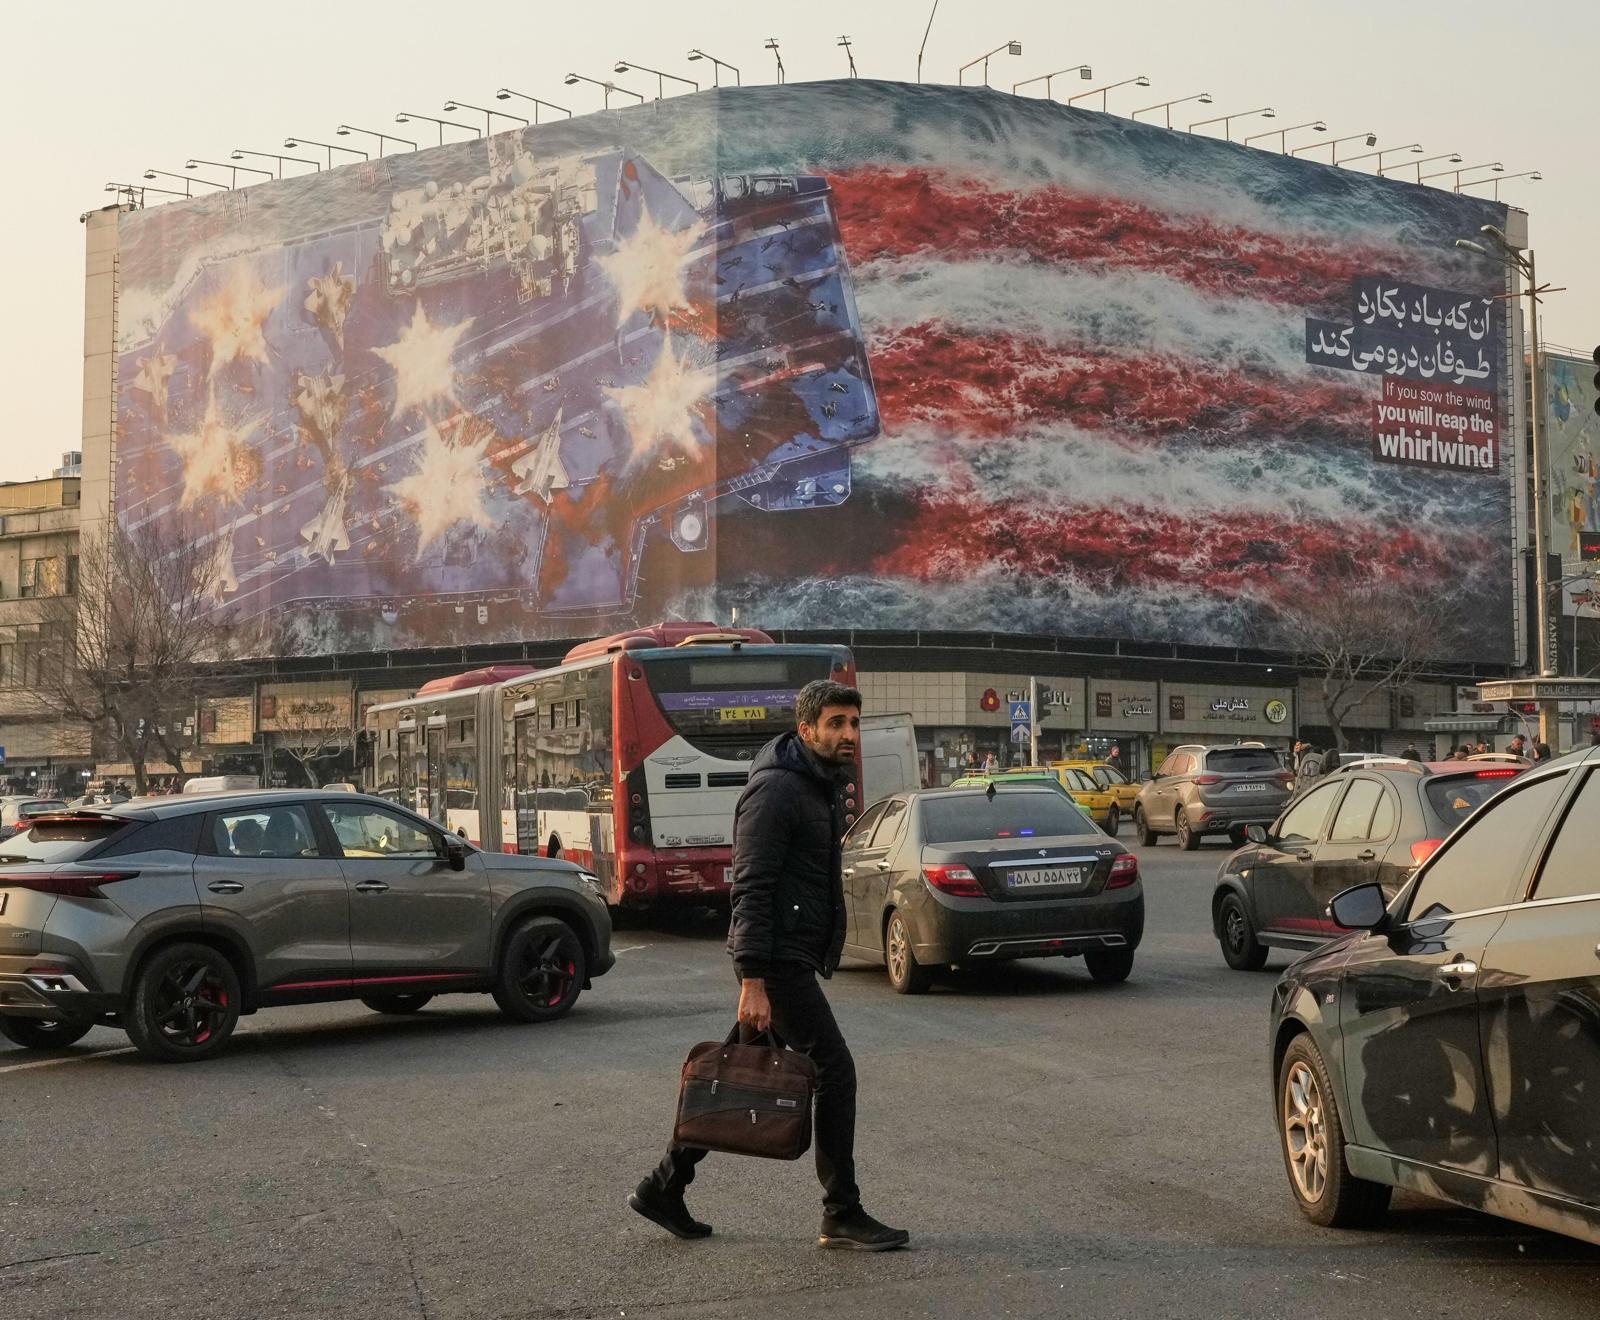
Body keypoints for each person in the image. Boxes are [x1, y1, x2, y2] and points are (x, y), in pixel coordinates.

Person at [631, 679, 908, 1252]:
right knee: (835, 1071)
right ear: (805, 729)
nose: (848, 735)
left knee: (728, 1071)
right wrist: (753, 979)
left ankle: (664, 1185)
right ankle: (841, 1212)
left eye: (853, 724)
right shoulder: (778, 790)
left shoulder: (818, 784)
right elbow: (751, 886)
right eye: (835, 724)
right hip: (776, 962)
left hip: (787, 955)